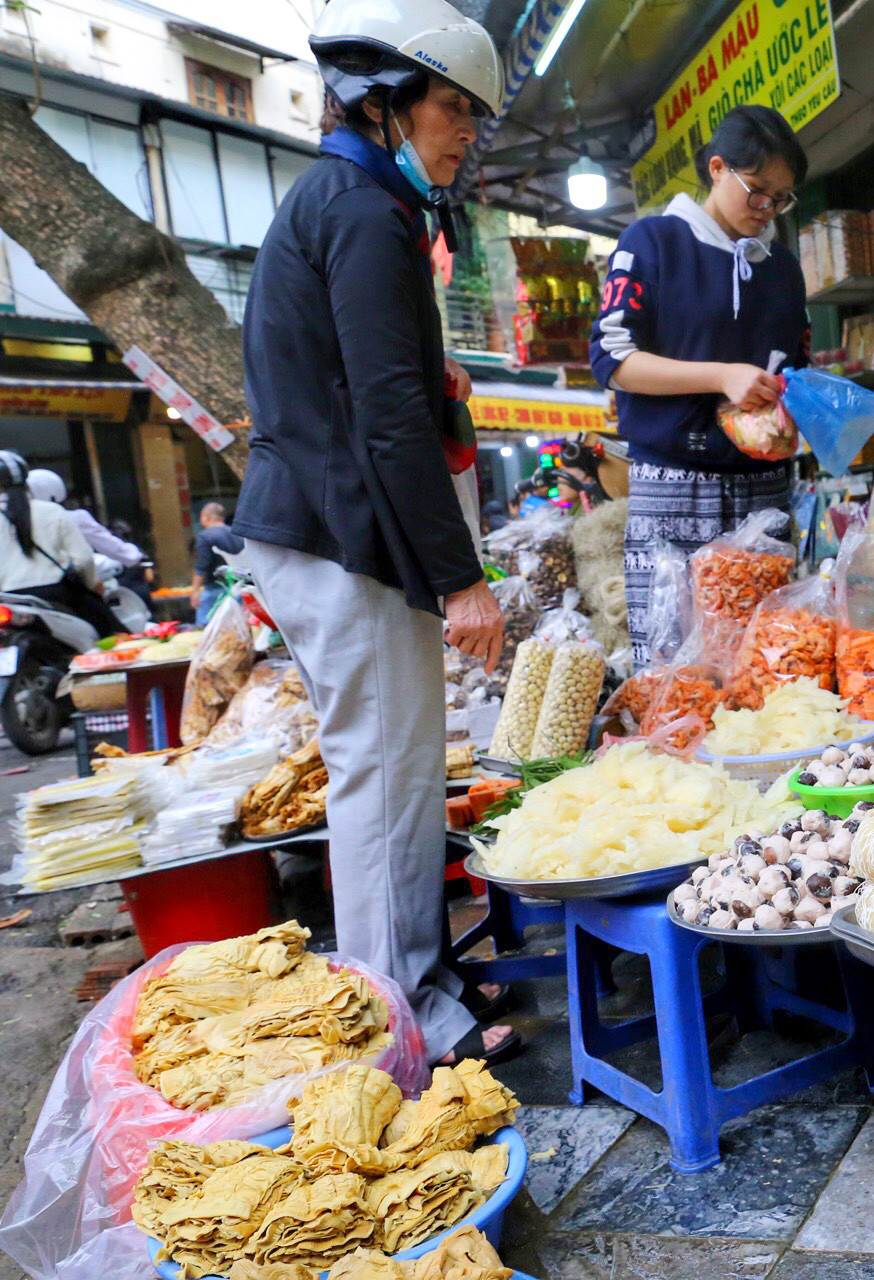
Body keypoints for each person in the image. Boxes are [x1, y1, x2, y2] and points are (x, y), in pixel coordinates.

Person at [231, 0, 515, 1065]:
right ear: (386, 101)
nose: (464, 133)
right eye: (452, 107)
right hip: (335, 533)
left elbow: (379, 389)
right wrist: (464, 579)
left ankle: (412, 988)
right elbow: (385, 416)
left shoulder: (350, 202)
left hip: (331, 528)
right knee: (385, 780)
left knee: (392, 774)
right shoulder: (360, 209)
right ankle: (402, 1017)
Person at [588, 105, 810, 666]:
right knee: (673, 667)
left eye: (782, 199)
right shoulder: (653, 243)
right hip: (672, 486)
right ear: (717, 169)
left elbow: (797, 366)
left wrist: (809, 404)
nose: (767, 209)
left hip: (765, 492)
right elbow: (613, 359)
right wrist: (722, 376)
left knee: (769, 666)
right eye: (758, 191)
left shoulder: (781, 268)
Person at [0, 451, 125, 637]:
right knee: (112, 639)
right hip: (60, 595)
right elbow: (83, 560)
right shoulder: (53, 511)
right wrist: (91, 585)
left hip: (10, 601)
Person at [26, 470, 144, 571]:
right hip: (64, 581)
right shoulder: (73, 517)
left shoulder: (15, 520)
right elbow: (108, 545)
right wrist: (135, 556)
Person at [190, 501, 245, 623]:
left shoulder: (204, 537)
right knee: (238, 626)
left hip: (215, 590)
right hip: (239, 589)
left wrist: (195, 590)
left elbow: (202, 565)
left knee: (207, 627)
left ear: (207, 517)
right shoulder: (237, 534)